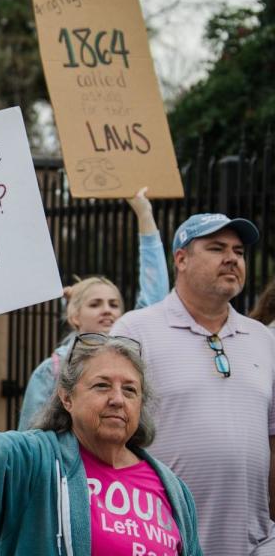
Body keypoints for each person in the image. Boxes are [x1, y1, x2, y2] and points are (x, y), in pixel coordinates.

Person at [0, 308, 202, 555]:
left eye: (129, 390)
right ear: (67, 398)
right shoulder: (32, 462)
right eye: (102, 385)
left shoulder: (173, 489)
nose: (117, 399)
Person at [111, 213, 275, 555]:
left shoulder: (263, 338)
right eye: (216, 248)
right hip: (162, 539)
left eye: (239, 251)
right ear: (181, 259)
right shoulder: (135, 331)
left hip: (254, 542)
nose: (232, 258)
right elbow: (107, 434)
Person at [17, 188, 168, 430]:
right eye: (95, 304)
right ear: (74, 316)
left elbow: (155, 294)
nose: (107, 310)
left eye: (114, 304)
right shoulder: (51, 371)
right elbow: (30, 437)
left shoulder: (131, 347)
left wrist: (145, 215)